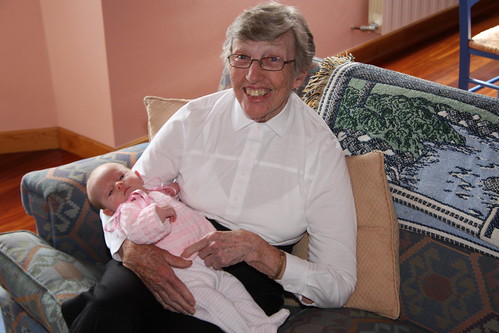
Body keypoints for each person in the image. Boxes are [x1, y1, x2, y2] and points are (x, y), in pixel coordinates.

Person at [62, 2, 357, 332]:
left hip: (247, 276)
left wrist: (265, 255)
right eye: (242, 57)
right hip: (165, 242)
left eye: (272, 60)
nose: (252, 76)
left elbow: (339, 283)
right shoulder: (194, 118)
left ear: (299, 75)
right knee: (108, 307)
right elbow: (122, 194)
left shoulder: (320, 151)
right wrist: (133, 250)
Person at [81, 162, 289, 333]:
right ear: (109, 210)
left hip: (208, 258)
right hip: (185, 274)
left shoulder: (154, 192)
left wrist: (174, 191)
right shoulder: (128, 209)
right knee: (218, 305)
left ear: (136, 173)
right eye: (111, 191)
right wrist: (155, 218)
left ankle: (263, 325)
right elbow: (136, 230)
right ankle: (245, 330)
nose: (119, 185)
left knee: (235, 290)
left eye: (121, 177)